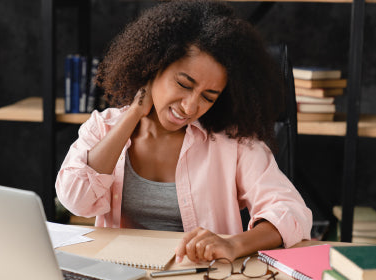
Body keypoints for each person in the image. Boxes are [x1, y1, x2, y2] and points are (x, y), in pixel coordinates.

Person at [56, 0, 312, 264]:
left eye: (208, 97)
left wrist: (233, 244)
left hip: (199, 272)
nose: (191, 107)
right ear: (153, 66)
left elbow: (293, 213)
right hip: (122, 271)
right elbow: (77, 201)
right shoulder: (105, 127)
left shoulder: (233, 142)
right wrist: (132, 114)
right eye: (183, 84)